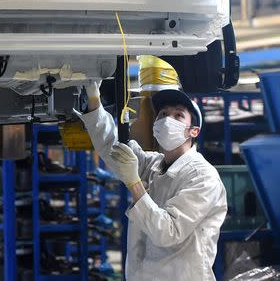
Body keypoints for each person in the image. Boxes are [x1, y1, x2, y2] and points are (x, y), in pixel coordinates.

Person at [78, 82, 227, 281]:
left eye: (178, 115)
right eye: (163, 114)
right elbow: (111, 148)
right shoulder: (153, 165)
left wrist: (134, 183)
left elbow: (168, 232)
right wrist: (95, 103)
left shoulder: (203, 177)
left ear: (194, 131)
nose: (167, 120)